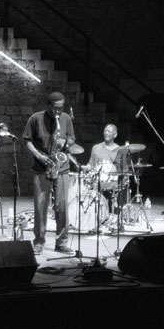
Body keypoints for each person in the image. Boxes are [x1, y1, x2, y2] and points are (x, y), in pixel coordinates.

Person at [23, 92, 75, 255]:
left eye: (61, 108)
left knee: (62, 206)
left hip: (62, 167)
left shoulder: (66, 118)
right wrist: (39, 156)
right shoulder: (35, 118)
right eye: (55, 108)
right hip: (41, 166)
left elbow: (72, 138)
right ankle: (39, 241)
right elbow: (27, 140)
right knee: (40, 206)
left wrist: (66, 142)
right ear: (49, 105)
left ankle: (62, 242)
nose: (58, 112)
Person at [84, 124, 127, 215]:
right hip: (98, 182)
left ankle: (113, 214)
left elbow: (123, 169)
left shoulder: (119, 150)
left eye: (109, 131)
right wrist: (84, 167)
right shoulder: (96, 148)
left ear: (115, 135)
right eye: (105, 131)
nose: (106, 133)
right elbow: (91, 165)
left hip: (113, 183)